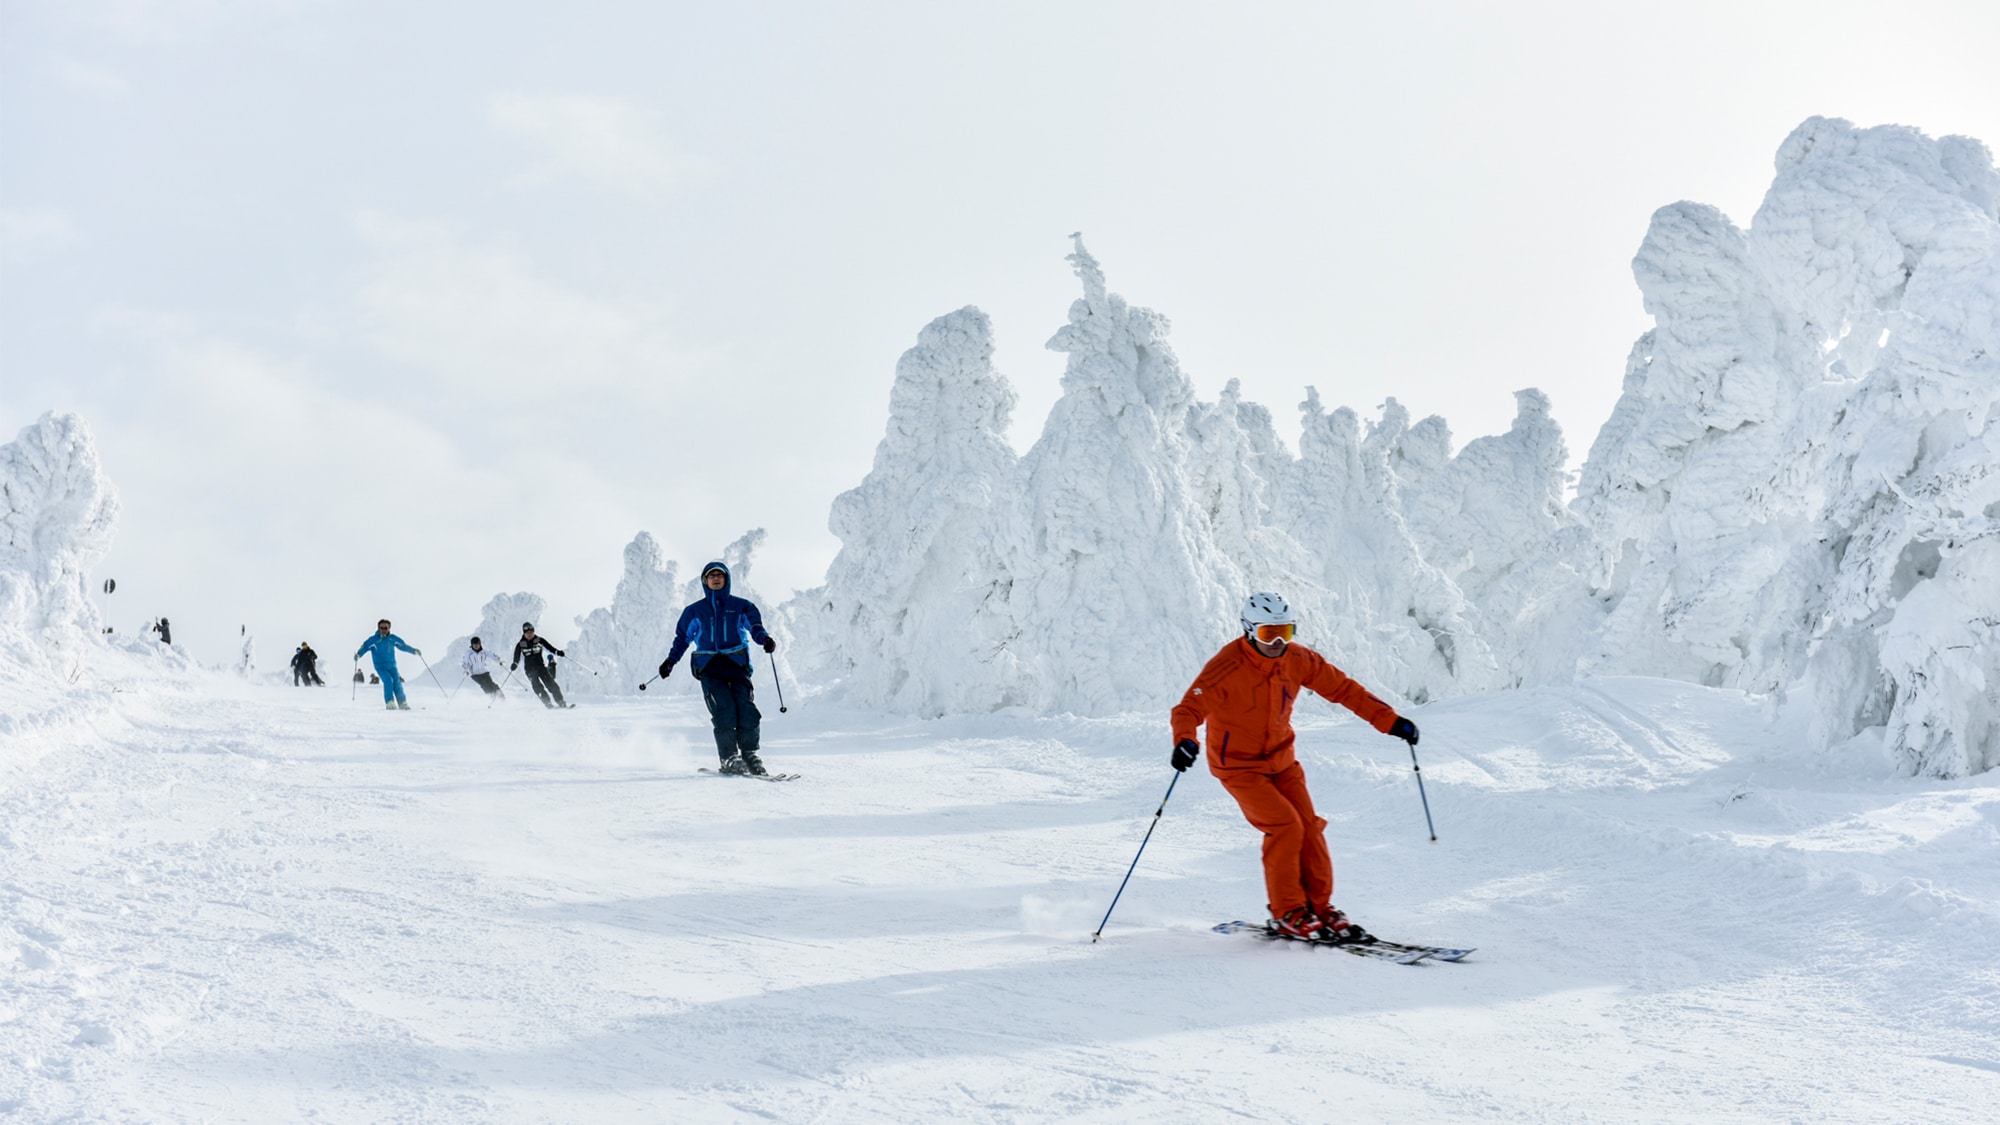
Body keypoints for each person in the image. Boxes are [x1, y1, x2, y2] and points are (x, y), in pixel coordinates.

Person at [1169, 592, 1421, 943]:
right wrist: (1185, 740)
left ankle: (1319, 908)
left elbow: (1344, 690)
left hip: (1282, 761)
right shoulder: (1226, 667)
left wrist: (1390, 721)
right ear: (1249, 631)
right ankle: (1287, 911)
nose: (1276, 642)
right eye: (1268, 633)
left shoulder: (1298, 659)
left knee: (1310, 828)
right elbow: (1187, 710)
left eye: (1285, 632)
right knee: (1286, 826)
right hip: (1239, 767)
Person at [657, 561, 777, 775]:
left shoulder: (742, 606)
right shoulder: (694, 611)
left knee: (747, 709)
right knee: (724, 710)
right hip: (709, 666)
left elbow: (754, 626)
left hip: (736, 664)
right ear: (705, 581)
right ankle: (729, 757)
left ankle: (750, 754)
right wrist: (670, 661)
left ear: (726, 579)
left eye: (719, 575)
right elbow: (682, 639)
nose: (715, 578)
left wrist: (764, 639)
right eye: (710, 576)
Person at [354, 619, 420, 710]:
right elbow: (365, 647)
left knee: (397, 681)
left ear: (389, 628)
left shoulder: (392, 638)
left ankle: (402, 702)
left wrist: (414, 651)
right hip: (380, 666)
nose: (384, 630)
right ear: (378, 628)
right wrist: (358, 654)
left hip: (392, 665)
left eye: (386, 628)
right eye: (381, 628)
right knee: (388, 680)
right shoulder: (374, 640)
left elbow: (403, 646)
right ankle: (390, 702)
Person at [511, 623, 569, 709]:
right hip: (530, 670)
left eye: (531, 632)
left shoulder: (539, 640)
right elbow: (517, 657)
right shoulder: (521, 644)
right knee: (537, 686)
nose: (529, 635)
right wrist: (515, 664)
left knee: (551, 684)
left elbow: (550, 648)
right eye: (527, 633)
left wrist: (558, 652)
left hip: (540, 667)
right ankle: (548, 703)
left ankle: (560, 701)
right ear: (524, 634)